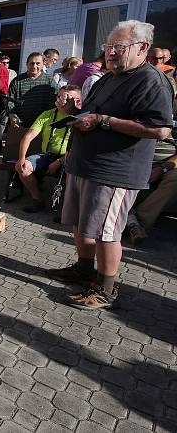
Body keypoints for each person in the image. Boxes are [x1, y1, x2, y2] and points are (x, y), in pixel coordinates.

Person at [48, 20, 173, 310]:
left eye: (119, 47)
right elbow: (92, 111)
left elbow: (160, 130)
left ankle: (105, 289)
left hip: (115, 171)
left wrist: (105, 122)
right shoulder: (108, 78)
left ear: (142, 48)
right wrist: (71, 110)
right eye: (109, 47)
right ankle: (83, 269)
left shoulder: (150, 80)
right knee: (82, 224)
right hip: (85, 164)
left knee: (107, 231)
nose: (111, 53)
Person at [14, 85, 80, 213]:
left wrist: (59, 161)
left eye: (68, 98)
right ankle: (38, 199)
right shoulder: (47, 114)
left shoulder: (80, 117)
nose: (63, 100)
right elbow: (27, 137)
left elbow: (77, 148)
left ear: (77, 100)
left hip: (68, 157)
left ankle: (67, 209)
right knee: (22, 167)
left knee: (71, 174)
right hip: (47, 155)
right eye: (60, 96)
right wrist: (21, 159)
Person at [125, 151, 177, 245]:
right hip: (132, 162)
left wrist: (162, 169)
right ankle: (133, 224)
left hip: (165, 167)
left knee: (175, 179)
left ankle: (139, 223)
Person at [7, 52, 58, 128]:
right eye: (32, 63)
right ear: (27, 64)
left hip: (42, 124)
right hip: (20, 124)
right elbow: (10, 101)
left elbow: (54, 101)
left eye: (38, 63)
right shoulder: (17, 81)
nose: (34, 66)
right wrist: (13, 117)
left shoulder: (50, 81)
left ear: (43, 64)